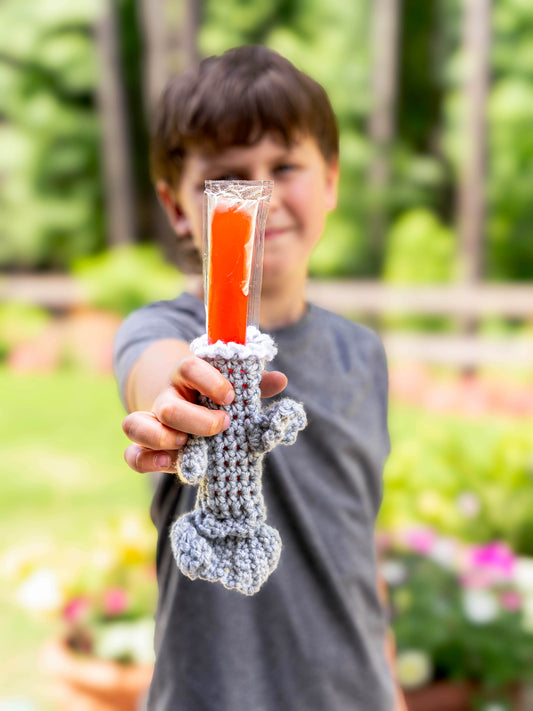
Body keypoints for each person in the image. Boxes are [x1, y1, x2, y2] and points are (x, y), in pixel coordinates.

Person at [114, 45, 407, 711]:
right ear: (178, 205)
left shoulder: (362, 352)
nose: (261, 196)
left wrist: (389, 686)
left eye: (284, 167)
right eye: (227, 176)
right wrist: (175, 401)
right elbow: (156, 375)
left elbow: (356, 532)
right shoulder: (159, 329)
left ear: (330, 180)